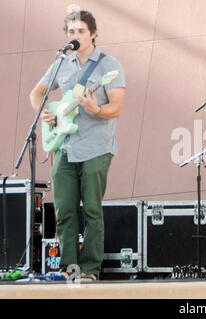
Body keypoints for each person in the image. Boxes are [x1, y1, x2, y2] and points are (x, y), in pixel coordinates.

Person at [30, 10, 126, 281]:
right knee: (65, 212)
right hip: (63, 147)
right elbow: (36, 93)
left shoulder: (109, 66)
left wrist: (95, 108)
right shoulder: (62, 63)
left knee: (92, 210)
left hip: (96, 147)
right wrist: (45, 113)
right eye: (71, 32)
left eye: (81, 31)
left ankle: (90, 270)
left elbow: (116, 108)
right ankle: (69, 269)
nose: (75, 36)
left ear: (93, 33)